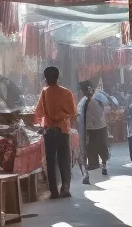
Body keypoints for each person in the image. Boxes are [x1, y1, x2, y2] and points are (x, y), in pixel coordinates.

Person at [34, 66, 76, 199]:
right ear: (58, 77)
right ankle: (65, 188)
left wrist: (36, 123)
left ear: (46, 79)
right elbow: (73, 112)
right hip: (63, 130)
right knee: (64, 160)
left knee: (51, 161)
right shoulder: (67, 92)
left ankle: (54, 191)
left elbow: (39, 113)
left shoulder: (45, 92)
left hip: (49, 131)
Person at [77, 80, 110, 176]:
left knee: (102, 146)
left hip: (100, 127)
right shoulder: (84, 101)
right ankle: (94, 164)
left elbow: (105, 110)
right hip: (90, 128)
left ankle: (104, 165)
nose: (85, 93)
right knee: (91, 147)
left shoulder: (98, 98)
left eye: (85, 91)